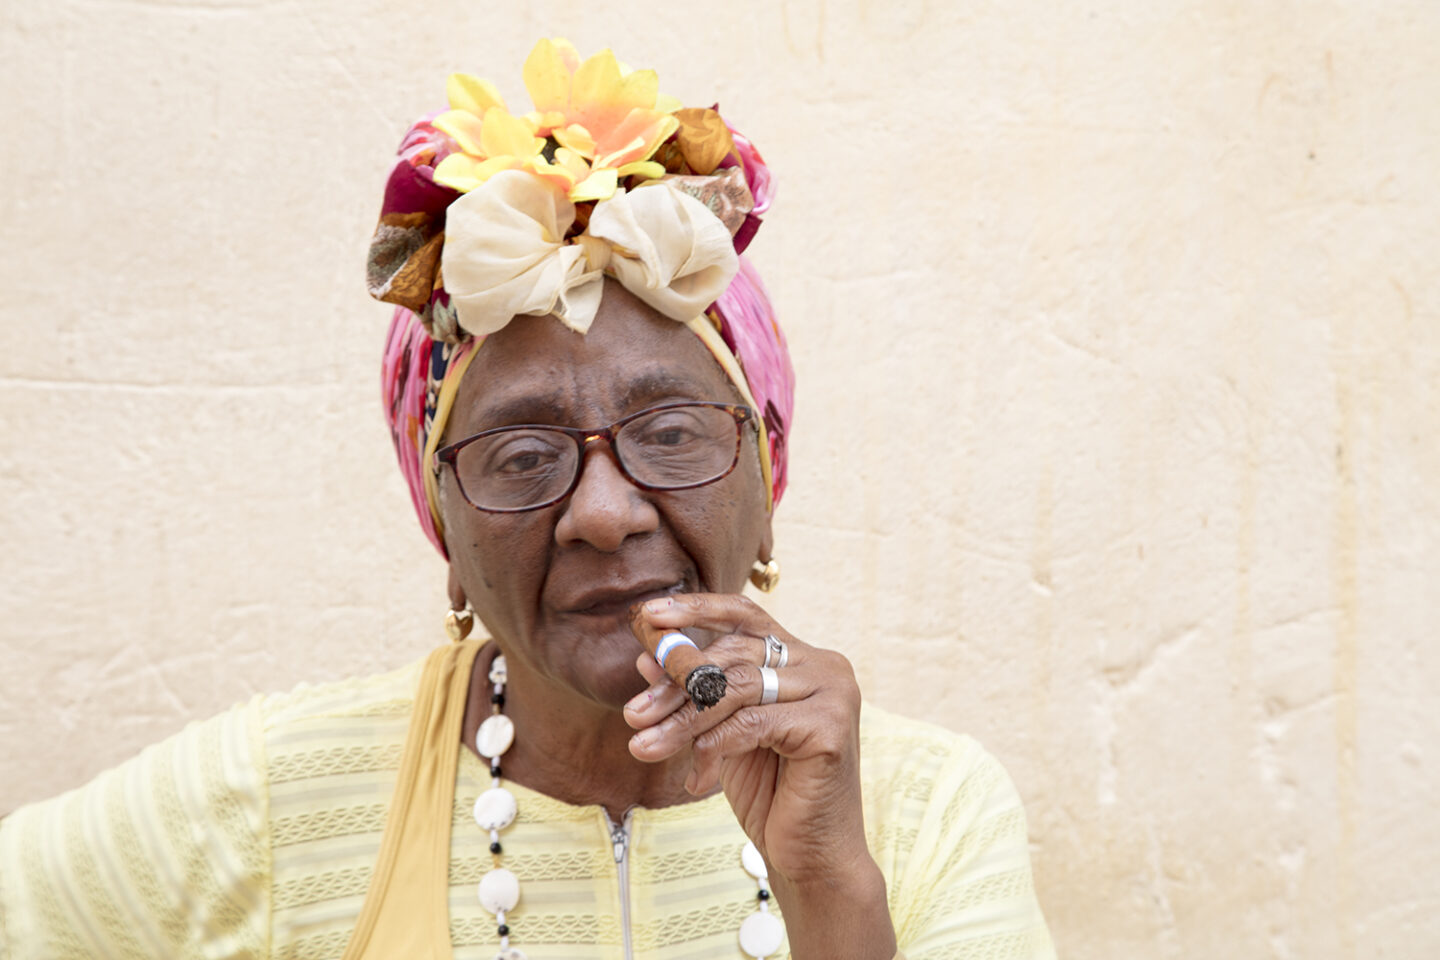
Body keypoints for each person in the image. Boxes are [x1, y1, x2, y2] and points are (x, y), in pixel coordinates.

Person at [0, 39, 1054, 960]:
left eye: (672, 434)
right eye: (519, 455)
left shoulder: (927, 816)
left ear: (766, 479)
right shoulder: (273, 797)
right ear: (442, 525)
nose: (605, 513)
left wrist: (831, 889)